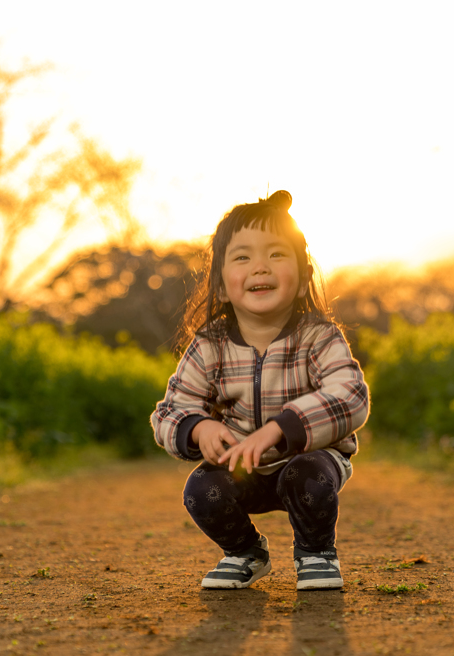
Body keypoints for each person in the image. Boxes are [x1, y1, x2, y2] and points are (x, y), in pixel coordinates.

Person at [151, 190, 369, 591]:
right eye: (242, 257)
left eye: (276, 254)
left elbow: (350, 395)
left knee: (309, 475)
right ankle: (245, 552)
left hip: (309, 460)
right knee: (202, 489)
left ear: (303, 279)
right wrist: (198, 429)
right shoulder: (209, 344)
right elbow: (169, 411)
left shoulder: (318, 337)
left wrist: (281, 428)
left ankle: (316, 552)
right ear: (220, 285)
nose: (260, 267)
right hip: (242, 469)